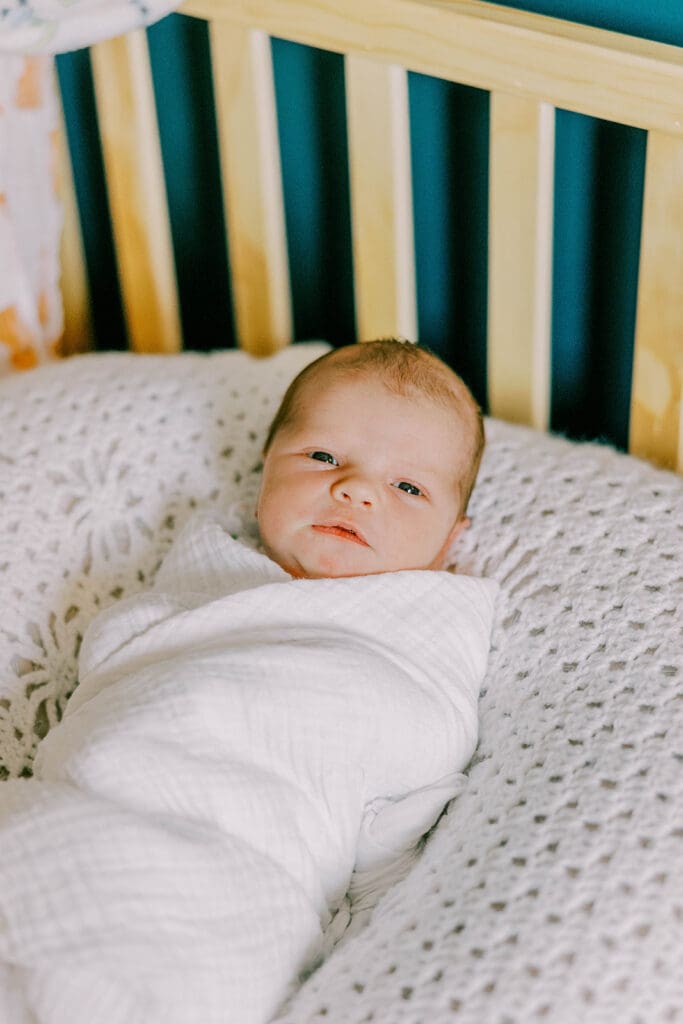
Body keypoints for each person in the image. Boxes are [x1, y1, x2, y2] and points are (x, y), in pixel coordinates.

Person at [256, 338, 485, 580]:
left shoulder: (450, 608)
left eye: (407, 488)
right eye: (323, 457)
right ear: (266, 472)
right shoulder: (215, 556)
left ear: (447, 541)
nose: (358, 491)